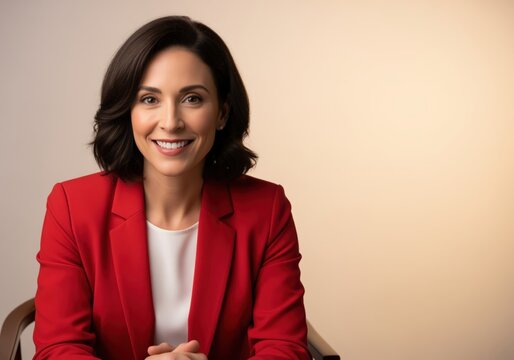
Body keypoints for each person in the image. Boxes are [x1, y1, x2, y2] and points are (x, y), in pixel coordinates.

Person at [33, 16, 310, 360]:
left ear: (222, 113)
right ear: (128, 110)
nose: (170, 122)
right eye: (149, 99)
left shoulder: (267, 209)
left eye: (192, 98)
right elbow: (58, 349)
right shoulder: (72, 207)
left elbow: (283, 348)